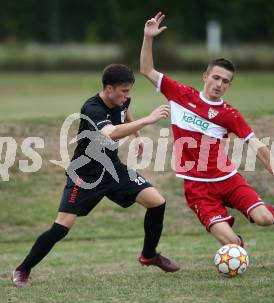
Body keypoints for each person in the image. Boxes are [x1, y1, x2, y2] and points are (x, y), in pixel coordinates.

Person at [140, 13, 274, 247]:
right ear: (205, 76)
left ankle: (273, 212)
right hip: (197, 187)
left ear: (230, 85)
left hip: (227, 179)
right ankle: (235, 249)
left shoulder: (229, 114)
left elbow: (256, 145)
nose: (219, 84)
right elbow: (147, 69)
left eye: (226, 81)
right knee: (233, 245)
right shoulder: (180, 94)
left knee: (264, 220)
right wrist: (148, 38)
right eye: (216, 78)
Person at [12, 64, 180, 287]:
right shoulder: (92, 108)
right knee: (61, 227)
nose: (127, 96)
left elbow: (125, 113)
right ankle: (22, 270)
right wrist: (148, 121)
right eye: (124, 91)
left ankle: (149, 255)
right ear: (109, 89)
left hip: (112, 168)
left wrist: (138, 136)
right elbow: (111, 133)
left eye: (129, 91)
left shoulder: (122, 100)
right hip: (86, 175)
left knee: (157, 202)